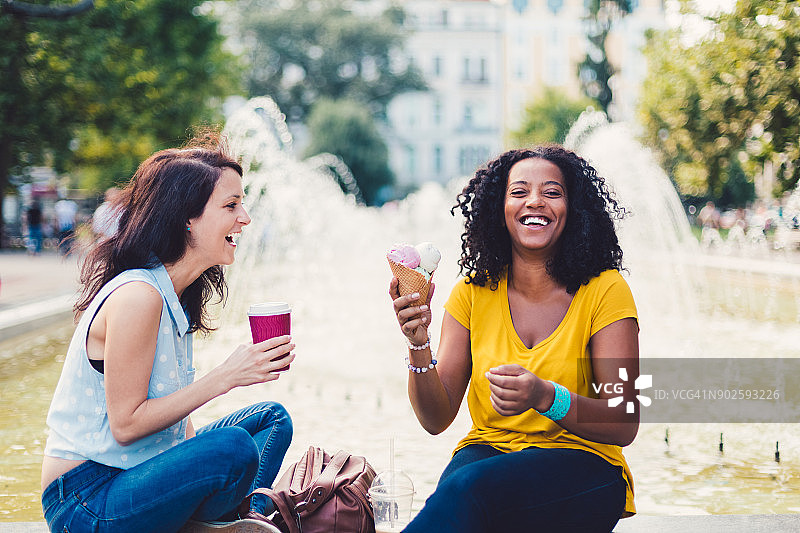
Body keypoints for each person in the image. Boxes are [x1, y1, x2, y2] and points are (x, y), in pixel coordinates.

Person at [41, 135, 295, 533]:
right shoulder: (139, 296)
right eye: (231, 205)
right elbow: (126, 425)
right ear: (187, 218)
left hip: (136, 475)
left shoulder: (174, 294)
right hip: (86, 500)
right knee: (234, 448)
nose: (245, 218)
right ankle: (236, 519)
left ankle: (245, 517)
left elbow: (175, 420)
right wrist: (226, 377)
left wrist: (191, 464)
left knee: (272, 420)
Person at [389, 146, 640, 532]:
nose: (535, 201)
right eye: (519, 192)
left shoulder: (607, 289)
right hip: (486, 452)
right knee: (459, 490)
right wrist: (417, 343)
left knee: (468, 490)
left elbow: (625, 421)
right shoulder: (470, 293)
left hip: (585, 463)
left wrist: (546, 397)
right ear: (499, 209)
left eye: (552, 192)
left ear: (573, 209)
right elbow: (435, 419)